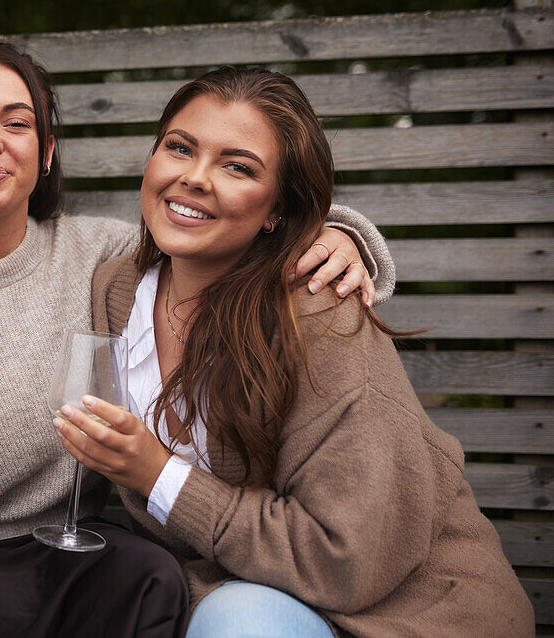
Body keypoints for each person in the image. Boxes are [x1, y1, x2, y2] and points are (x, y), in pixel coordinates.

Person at [0, 44, 394, 637]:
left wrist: (341, 235)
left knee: (153, 576)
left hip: (67, 547)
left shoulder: (99, 256)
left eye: (17, 122)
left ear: (47, 152)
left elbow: (207, 222)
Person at [56, 66, 534, 636]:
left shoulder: (320, 313)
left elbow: (344, 561)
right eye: (179, 148)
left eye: (238, 166)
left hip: (406, 613)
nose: (195, 178)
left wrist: (158, 475)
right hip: (225, 590)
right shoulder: (116, 288)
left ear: (278, 209)